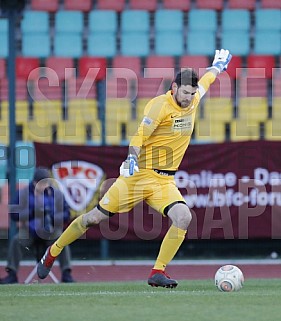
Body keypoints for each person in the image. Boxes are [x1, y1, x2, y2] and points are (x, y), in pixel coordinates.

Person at [37, 49, 232, 288]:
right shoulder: (159, 106)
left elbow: (207, 81)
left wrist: (217, 67)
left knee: (183, 217)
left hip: (164, 182)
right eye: (185, 92)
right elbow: (139, 136)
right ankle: (53, 252)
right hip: (138, 176)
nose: (189, 97)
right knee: (93, 219)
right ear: (174, 88)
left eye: (192, 93)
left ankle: (157, 272)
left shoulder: (193, 99)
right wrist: (131, 159)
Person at [0, 167, 74, 284]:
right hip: (30, 229)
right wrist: (32, 212)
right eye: (42, 183)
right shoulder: (23, 193)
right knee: (16, 241)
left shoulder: (56, 194)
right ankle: (12, 274)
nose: (45, 185)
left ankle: (66, 273)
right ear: (35, 182)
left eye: (47, 182)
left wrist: (52, 214)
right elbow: (14, 214)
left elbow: (67, 214)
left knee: (62, 241)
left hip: (51, 230)